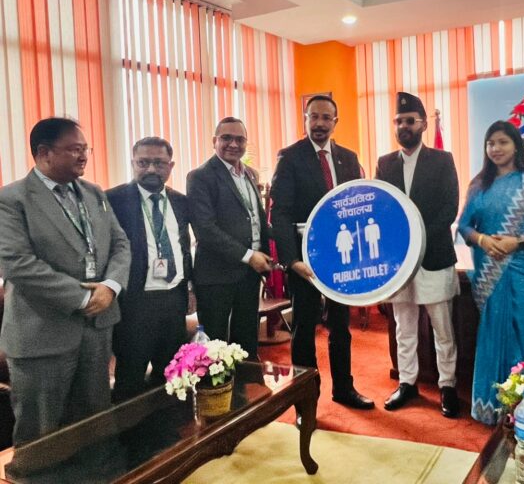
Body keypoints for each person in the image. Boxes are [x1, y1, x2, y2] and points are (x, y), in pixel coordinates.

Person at [0, 117, 130, 445]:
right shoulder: (12, 199)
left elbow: (120, 244)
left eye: (86, 148)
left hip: (96, 330)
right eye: (74, 149)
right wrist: (83, 297)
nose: (84, 156)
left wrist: (110, 287)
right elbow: (17, 264)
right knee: (40, 435)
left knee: (94, 423)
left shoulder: (93, 193)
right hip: (43, 335)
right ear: (44, 153)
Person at [270, 95, 374, 411]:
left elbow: (358, 205)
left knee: (341, 326)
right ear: (305, 119)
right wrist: (291, 260)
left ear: (335, 122)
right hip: (304, 259)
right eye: (313, 116)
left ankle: (344, 388)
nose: (319, 123)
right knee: (304, 329)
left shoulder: (348, 158)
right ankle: (305, 401)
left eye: (326, 118)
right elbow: (280, 213)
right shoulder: (290, 157)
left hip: (341, 258)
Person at [458, 120, 524, 425]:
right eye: (490, 143)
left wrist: (518, 241)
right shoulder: (480, 184)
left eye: (503, 142)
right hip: (490, 270)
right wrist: (482, 239)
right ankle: (492, 407)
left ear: (516, 145)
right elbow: (464, 225)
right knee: (492, 336)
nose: (496, 148)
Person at [376, 91, 460, 418]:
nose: (403, 126)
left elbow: (449, 208)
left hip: (434, 255)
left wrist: (418, 237)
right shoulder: (384, 163)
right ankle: (407, 382)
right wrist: (401, 243)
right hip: (398, 261)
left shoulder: (442, 160)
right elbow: (381, 209)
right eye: (398, 121)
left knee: (443, 328)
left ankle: (447, 385)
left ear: (423, 124)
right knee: (404, 326)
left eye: (409, 121)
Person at [107, 137, 192, 402]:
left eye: (159, 163)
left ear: (171, 166)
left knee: (173, 376)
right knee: (130, 379)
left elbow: (183, 245)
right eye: (143, 163)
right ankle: (131, 429)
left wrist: (189, 288)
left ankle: (169, 425)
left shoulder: (180, 201)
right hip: (135, 303)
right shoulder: (113, 200)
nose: (151, 169)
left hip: (173, 299)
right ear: (133, 163)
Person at [186, 117, 271, 357]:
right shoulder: (200, 176)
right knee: (214, 349)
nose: (233, 144)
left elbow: (255, 219)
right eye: (226, 138)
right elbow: (205, 229)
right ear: (214, 141)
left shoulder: (250, 174)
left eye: (239, 139)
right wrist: (249, 256)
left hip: (249, 274)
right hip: (216, 276)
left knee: (246, 344)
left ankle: (247, 382)